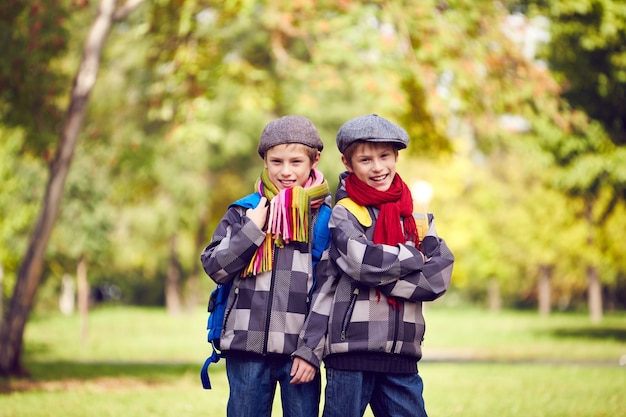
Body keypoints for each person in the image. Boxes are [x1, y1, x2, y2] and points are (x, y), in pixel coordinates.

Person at [293, 114, 455, 417]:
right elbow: (360, 262)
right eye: (366, 160)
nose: (378, 167)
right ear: (347, 163)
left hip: (401, 355)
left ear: (396, 157)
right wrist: (412, 258)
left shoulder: (417, 218)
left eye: (384, 156)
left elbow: (439, 276)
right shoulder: (345, 214)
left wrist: (375, 275)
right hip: (350, 353)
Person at [200, 115, 332, 417]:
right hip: (246, 349)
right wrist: (252, 230)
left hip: (298, 354)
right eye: (277, 161)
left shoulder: (326, 219)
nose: (286, 171)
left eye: (296, 162)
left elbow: (328, 292)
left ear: (314, 160)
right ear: (265, 160)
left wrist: (311, 352)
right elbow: (215, 267)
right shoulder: (244, 210)